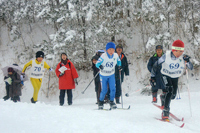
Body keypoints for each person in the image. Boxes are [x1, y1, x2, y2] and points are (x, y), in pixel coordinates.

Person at [150, 40, 193, 120]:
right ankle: (165, 111)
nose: (179, 53)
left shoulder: (183, 57)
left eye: (181, 51)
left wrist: (188, 61)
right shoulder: (166, 56)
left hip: (175, 76)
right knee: (169, 90)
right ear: (173, 50)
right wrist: (152, 77)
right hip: (165, 75)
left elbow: (191, 67)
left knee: (173, 96)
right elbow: (156, 65)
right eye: (177, 51)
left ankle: (163, 97)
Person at [96, 42, 121, 109]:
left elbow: (119, 61)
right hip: (103, 75)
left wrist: (119, 66)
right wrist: (100, 66)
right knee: (104, 90)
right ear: (107, 50)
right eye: (109, 49)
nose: (111, 51)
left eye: (112, 49)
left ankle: (112, 101)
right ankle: (100, 102)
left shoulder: (115, 55)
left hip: (111, 74)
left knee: (113, 89)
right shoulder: (103, 56)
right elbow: (97, 64)